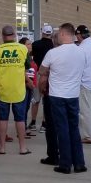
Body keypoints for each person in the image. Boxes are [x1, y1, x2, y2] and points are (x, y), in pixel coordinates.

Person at [37, 23, 86, 174]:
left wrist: (43, 84)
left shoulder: (53, 53)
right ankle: (79, 163)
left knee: (62, 129)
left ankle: (65, 164)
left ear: (64, 34)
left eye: (58, 33)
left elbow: (42, 72)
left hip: (57, 95)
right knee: (74, 128)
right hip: (73, 95)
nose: (57, 36)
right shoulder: (81, 52)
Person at [0, 25, 30, 155]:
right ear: (14, 35)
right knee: (20, 119)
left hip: (3, 90)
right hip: (19, 90)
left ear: (3, 36)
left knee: (3, 118)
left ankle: (2, 147)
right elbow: (27, 67)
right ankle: (22, 147)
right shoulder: (23, 49)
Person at [31, 24, 57, 166]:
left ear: (42, 32)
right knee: (46, 102)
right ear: (51, 33)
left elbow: (32, 59)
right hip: (49, 76)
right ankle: (44, 124)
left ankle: (33, 122)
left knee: (36, 100)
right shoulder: (53, 46)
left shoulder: (35, 44)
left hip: (37, 75)